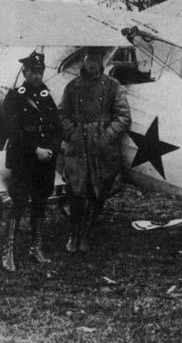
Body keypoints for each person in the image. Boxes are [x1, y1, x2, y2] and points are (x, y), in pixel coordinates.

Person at [58, 47, 130, 253]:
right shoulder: (72, 87)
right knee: (75, 189)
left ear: (101, 62)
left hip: (101, 146)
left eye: (96, 59)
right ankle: (74, 235)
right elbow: (62, 114)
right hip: (79, 145)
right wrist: (72, 134)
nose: (92, 63)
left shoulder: (113, 87)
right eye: (89, 59)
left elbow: (123, 116)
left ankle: (86, 234)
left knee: (99, 190)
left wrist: (107, 136)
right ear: (83, 60)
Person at [0, 51, 62, 271]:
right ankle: (8, 253)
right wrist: (35, 150)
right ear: (24, 72)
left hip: (45, 160)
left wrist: (51, 150)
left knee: (40, 203)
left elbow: (57, 127)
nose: (37, 75)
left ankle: (36, 249)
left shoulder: (46, 95)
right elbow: (12, 131)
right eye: (33, 72)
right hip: (24, 159)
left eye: (40, 72)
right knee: (18, 204)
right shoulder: (15, 96)